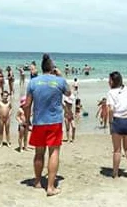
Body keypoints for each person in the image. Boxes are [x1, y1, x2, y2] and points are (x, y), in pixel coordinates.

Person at [24, 54, 71, 196]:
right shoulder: (59, 81)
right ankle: (50, 187)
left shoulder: (33, 82)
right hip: (54, 122)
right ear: (52, 68)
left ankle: (38, 182)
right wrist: (61, 76)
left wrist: (27, 120)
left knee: (39, 153)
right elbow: (69, 93)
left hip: (39, 122)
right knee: (54, 152)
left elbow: (27, 104)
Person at [107, 71, 127, 180]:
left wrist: (110, 122)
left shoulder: (111, 92)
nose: (108, 81)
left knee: (117, 150)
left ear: (113, 81)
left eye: (109, 79)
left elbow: (111, 109)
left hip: (117, 121)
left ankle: (115, 173)